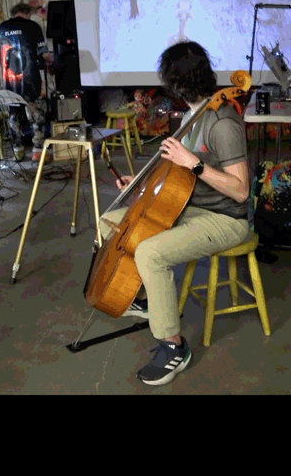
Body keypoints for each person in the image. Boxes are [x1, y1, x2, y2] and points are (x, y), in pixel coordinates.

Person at [99, 41, 251, 386]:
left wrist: (195, 163)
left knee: (150, 253)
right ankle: (145, 300)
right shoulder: (193, 115)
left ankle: (174, 347)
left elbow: (241, 191)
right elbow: (174, 174)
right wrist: (139, 183)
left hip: (227, 218)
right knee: (111, 223)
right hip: (190, 207)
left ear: (178, 83)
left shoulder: (222, 123)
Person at [0, 3, 55, 161]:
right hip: (30, 80)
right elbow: (44, 54)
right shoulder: (33, 26)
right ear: (27, 13)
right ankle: (37, 151)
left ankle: (17, 151)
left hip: (9, 82)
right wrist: (53, 59)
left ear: (14, 12)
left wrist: (4, 71)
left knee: (13, 116)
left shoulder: (1, 28)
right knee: (36, 114)